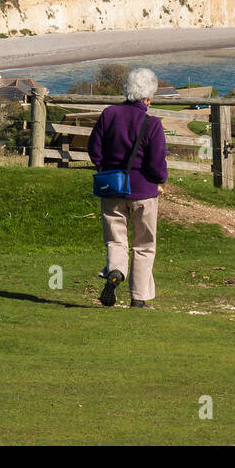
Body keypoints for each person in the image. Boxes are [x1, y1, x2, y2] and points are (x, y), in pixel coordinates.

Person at [87, 67, 168, 308]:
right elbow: (157, 164)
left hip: (112, 187)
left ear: (127, 91)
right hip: (143, 191)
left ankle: (116, 271)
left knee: (115, 239)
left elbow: (94, 149)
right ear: (149, 97)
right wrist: (160, 179)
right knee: (144, 245)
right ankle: (139, 298)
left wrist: (105, 167)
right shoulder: (152, 124)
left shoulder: (109, 114)